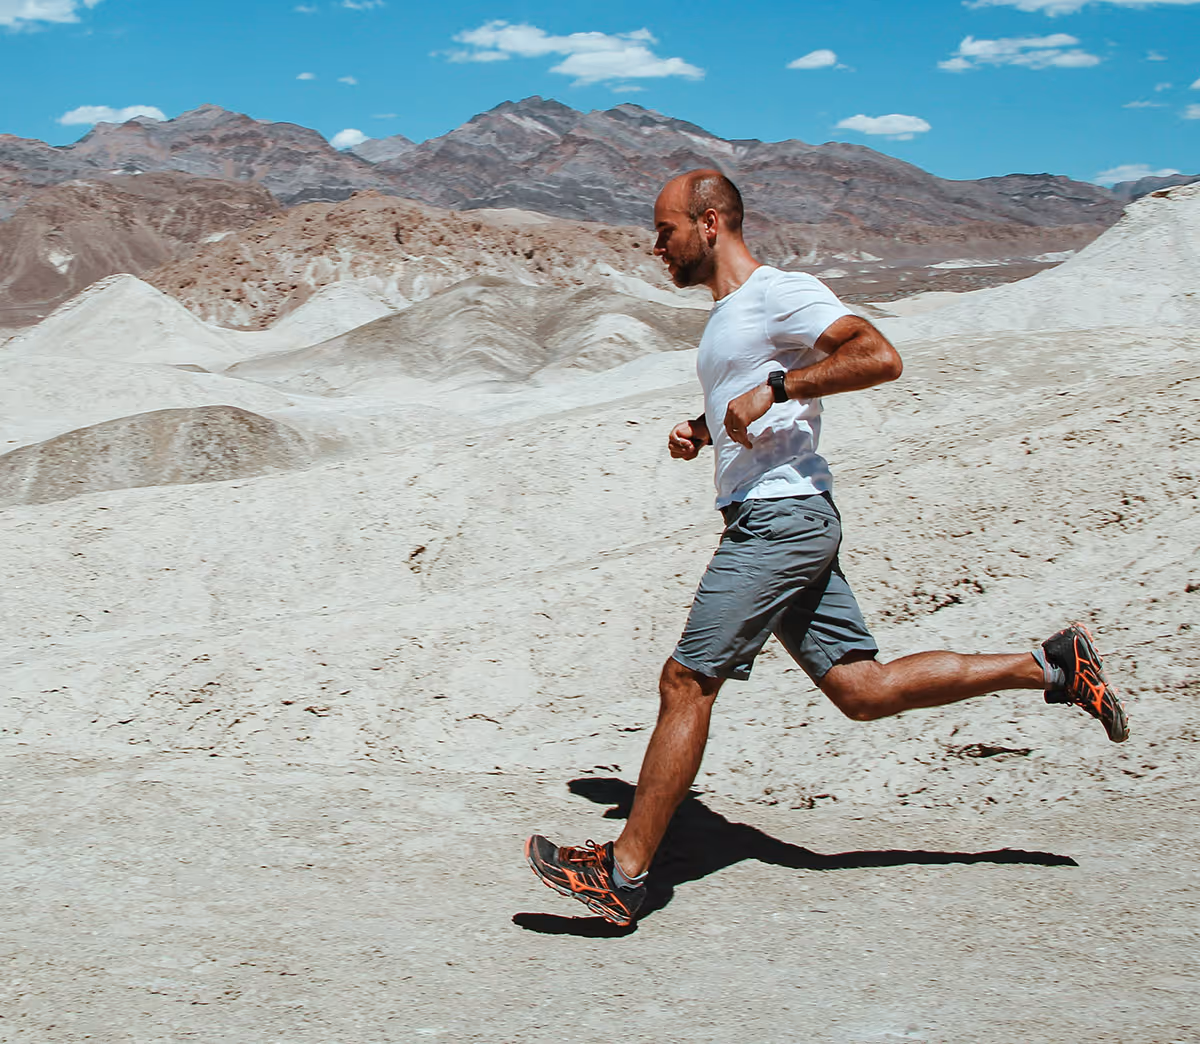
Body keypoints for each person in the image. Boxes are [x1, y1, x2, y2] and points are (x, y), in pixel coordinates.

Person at [524, 169, 1128, 927]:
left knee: (686, 682)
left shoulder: (779, 291)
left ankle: (625, 874)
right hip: (784, 514)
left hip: (780, 520)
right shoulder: (730, 315)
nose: (656, 246)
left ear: (710, 224)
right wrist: (705, 427)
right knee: (861, 690)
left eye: (666, 229)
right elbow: (751, 394)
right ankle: (1053, 666)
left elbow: (879, 355)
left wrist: (775, 390)